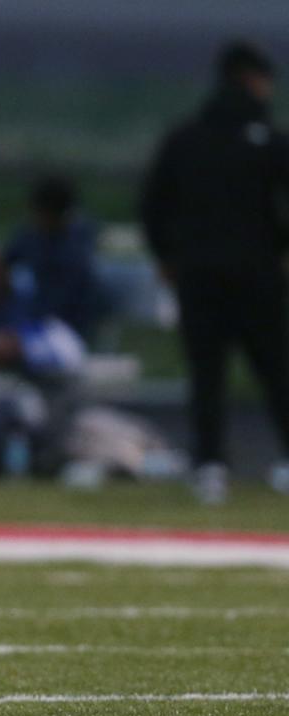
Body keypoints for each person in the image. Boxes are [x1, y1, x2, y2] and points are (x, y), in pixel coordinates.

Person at [141, 40, 289, 503]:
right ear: (252, 79)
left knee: (207, 374)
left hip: (198, 274)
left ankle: (210, 467)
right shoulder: (270, 139)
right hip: (260, 273)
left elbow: (152, 205)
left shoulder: (185, 138)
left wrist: (167, 257)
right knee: (277, 370)